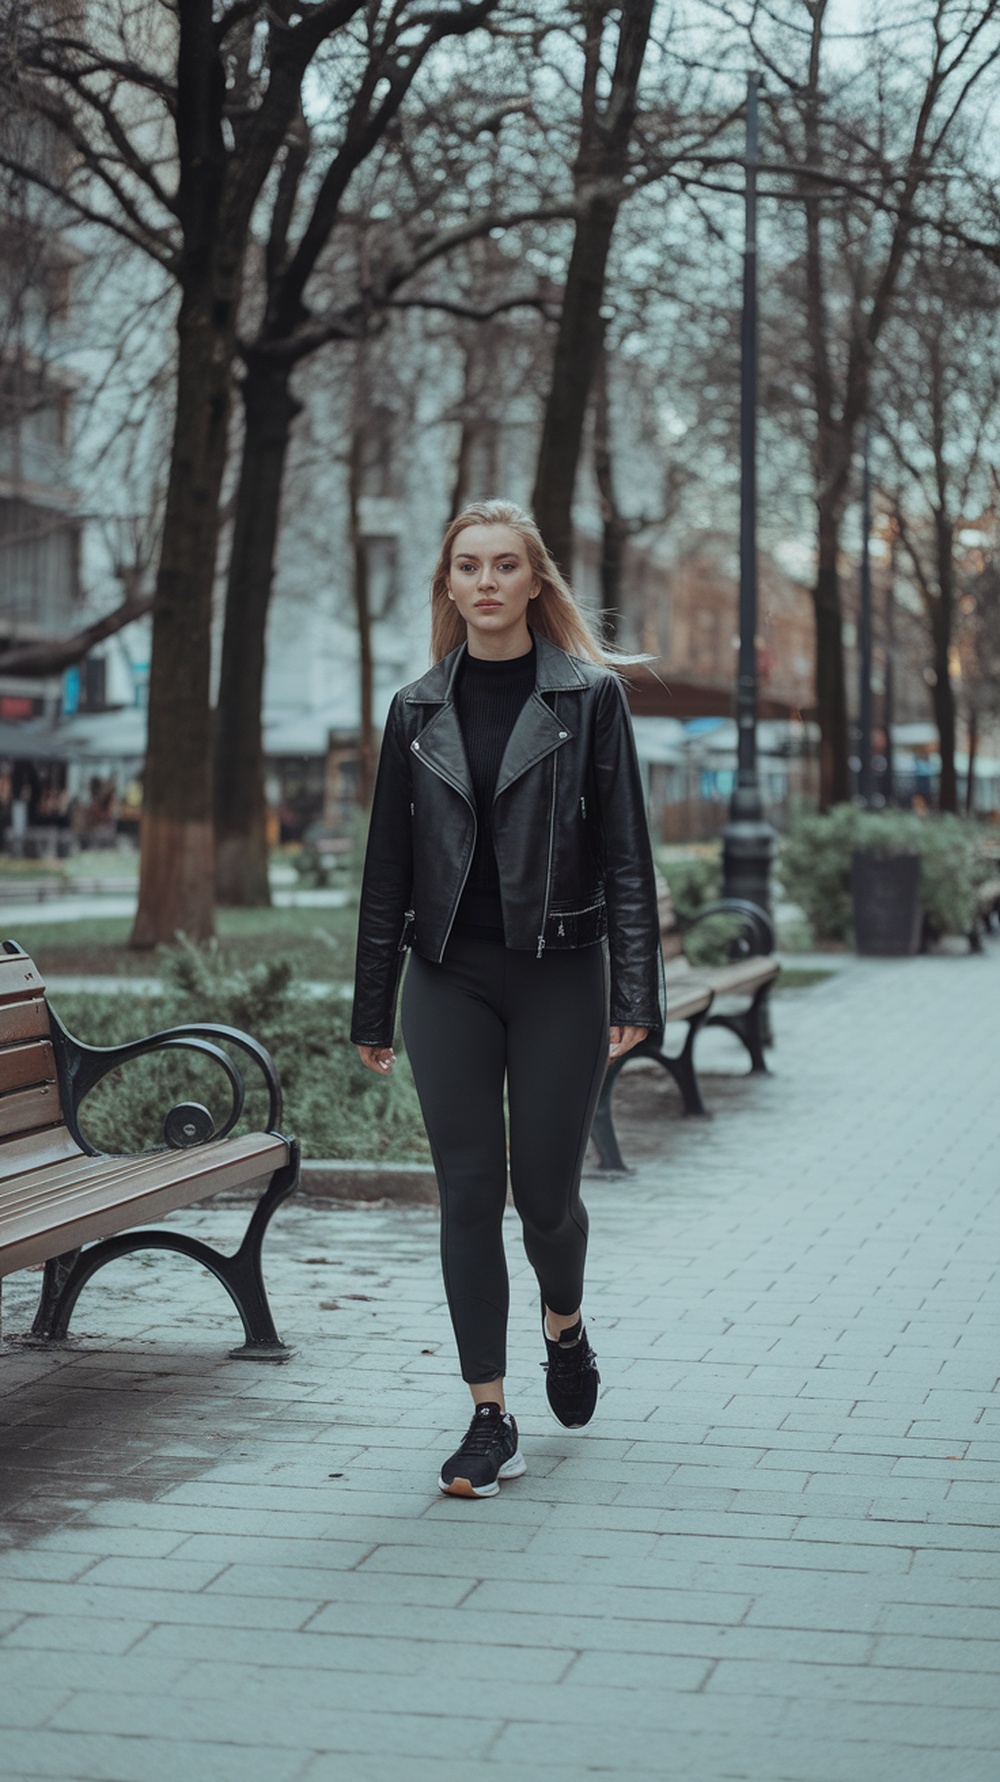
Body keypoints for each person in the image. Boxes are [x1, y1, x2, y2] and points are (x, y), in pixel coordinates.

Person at [351, 499, 664, 1498]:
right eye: (467, 567)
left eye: (504, 566)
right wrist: (370, 1007)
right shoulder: (414, 710)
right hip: (446, 975)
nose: (485, 582)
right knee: (468, 1195)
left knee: (545, 1200)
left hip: (560, 972)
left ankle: (563, 1324)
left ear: (534, 583)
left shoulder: (588, 700)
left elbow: (626, 855)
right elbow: (385, 871)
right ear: (447, 586)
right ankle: (489, 1414)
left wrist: (634, 988)